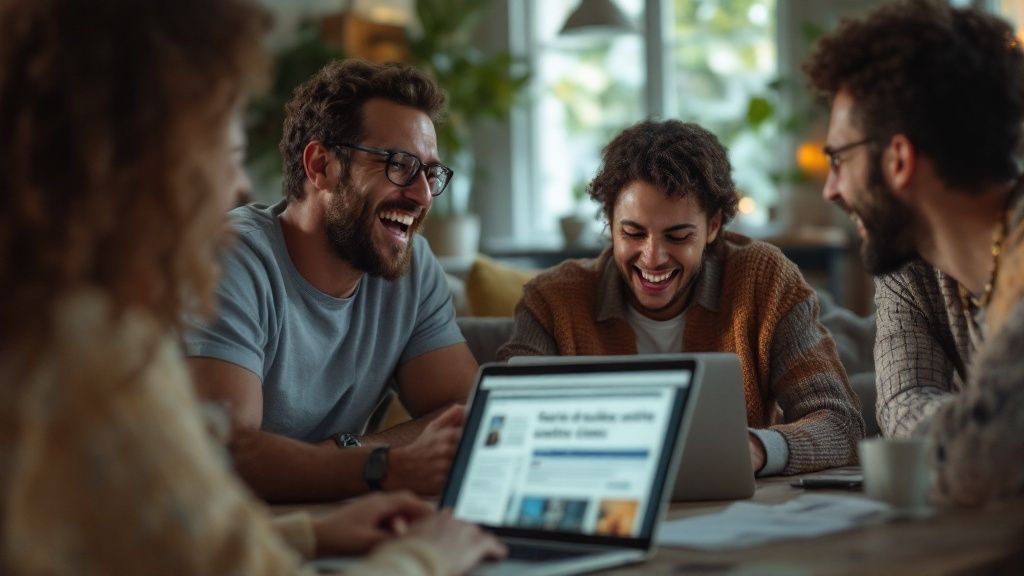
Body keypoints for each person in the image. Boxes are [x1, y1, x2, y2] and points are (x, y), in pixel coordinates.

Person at [0, 0, 505, 574]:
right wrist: (426, 552)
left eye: (429, 172)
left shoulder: (47, 324)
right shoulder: (98, 355)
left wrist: (312, 532)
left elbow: (170, 539)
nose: (240, 181)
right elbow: (228, 466)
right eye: (225, 146)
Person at [499, 120, 864, 476]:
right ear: (610, 223)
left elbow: (839, 423)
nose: (653, 257)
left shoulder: (763, 281)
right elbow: (502, 424)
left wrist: (754, 449)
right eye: (633, 233)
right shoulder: (552, 299)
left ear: (714, 226)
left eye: (678, 236)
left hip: (729, 517)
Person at [185, 59, 479, 502]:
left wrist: (351, 452)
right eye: (399, 164)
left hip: (339, 514)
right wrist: (384, 466)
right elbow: (228, 457)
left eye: (430, 172)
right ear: (321, 166)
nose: (421, 195)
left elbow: (466, 413)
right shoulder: (231, 258)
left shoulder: (410, 263)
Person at [805, 0, 1024, 504]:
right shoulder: (907, 261)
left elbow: (980, 463)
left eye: (839, 158)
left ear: (899, 159)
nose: (831, 190)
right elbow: (901, 407)